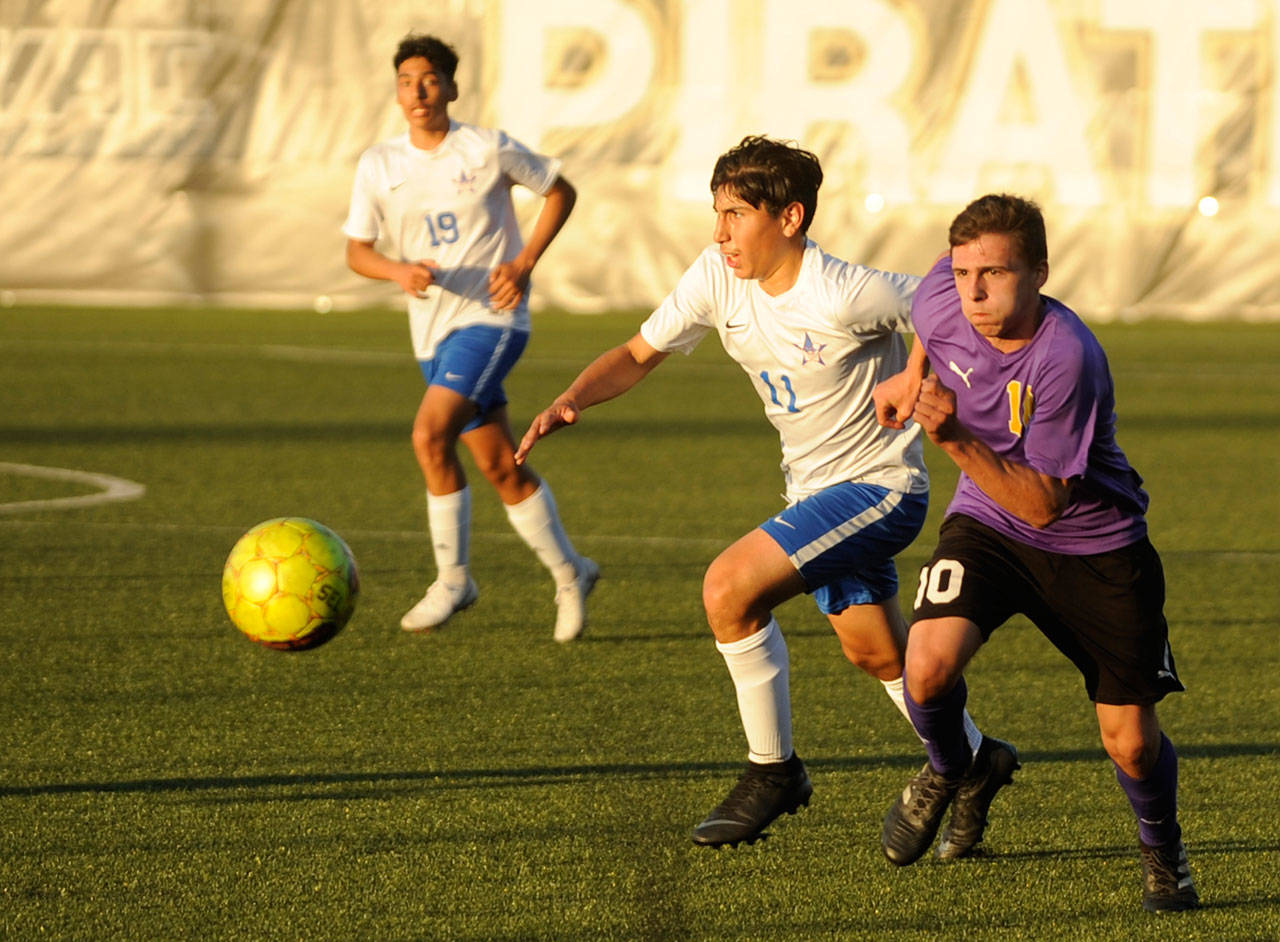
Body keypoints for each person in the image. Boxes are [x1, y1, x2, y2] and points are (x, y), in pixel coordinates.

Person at [515, 136, 1011, 848]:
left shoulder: (842, 291)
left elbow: (944, 299)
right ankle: (975, 761)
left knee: (727, 589)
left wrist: (916, 374)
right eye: (716, 213)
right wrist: (573, 399)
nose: (720, 233)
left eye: (737, 214)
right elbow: (636, 353)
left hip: (879, 490)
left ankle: (772, 772)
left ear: (790, 217)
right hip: (814, 497)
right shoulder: (716, 277)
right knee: (879, 657)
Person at [873, 194, 1197, 912]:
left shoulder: (1067, 358)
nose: (974, 291)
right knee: (924, 669)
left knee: (1132, 745)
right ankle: (956, 768)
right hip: (989, 527)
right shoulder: (943, 296)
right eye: (964, 272)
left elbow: (1045, 504)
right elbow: (930, 317)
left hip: (1094, 547)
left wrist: (953, 436)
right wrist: (914, 374)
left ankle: (1162, 845)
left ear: (1041, 272)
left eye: (995, 273)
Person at [343, 33, 598, 642]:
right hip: (431, 334)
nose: (418, 91)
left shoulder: (486, 148)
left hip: (493, 319)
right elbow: (356, 251)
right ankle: (572, 572)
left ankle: (454, 580)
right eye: (407, 81)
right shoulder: (379, 164)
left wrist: (525, 262)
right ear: (397, 91)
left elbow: (560, 191)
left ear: (452, 88)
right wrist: (397, 271)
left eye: (430, 79)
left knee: (430, 434)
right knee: (500, 466)